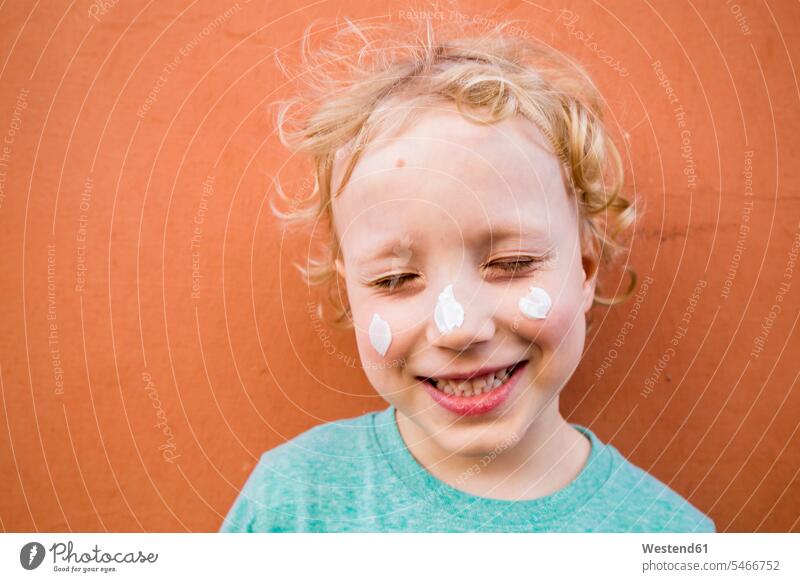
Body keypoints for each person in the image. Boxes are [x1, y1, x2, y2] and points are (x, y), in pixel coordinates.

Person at [219, 15, 715, 533]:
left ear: (585, 271)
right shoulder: (293, 503)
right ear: (349, 295)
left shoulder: (669, 539)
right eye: (394, 280)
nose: (457, 327)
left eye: (512, 265)